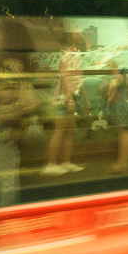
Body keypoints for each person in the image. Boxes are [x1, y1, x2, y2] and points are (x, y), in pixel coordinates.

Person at [0, 57, 37, 206]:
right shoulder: (17, 65)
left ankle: (4, 220)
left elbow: (6, 96)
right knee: (10, 181)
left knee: (6, 184)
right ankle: (11, 218)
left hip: (5, 131)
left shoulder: (9, 65)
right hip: (11, 131)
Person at [42, 34, 88, 176]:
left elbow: (77, 79)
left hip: (71, 96)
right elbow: (66, 77)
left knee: (68, 131)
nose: (80, 37)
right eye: (76, 36)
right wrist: (70, 99)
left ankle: (65, 162)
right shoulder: (69, 55)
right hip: (65, 98)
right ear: (71, 40)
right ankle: (51, 164)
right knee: (61, 131)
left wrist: (84, 98)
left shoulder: (73, 54)